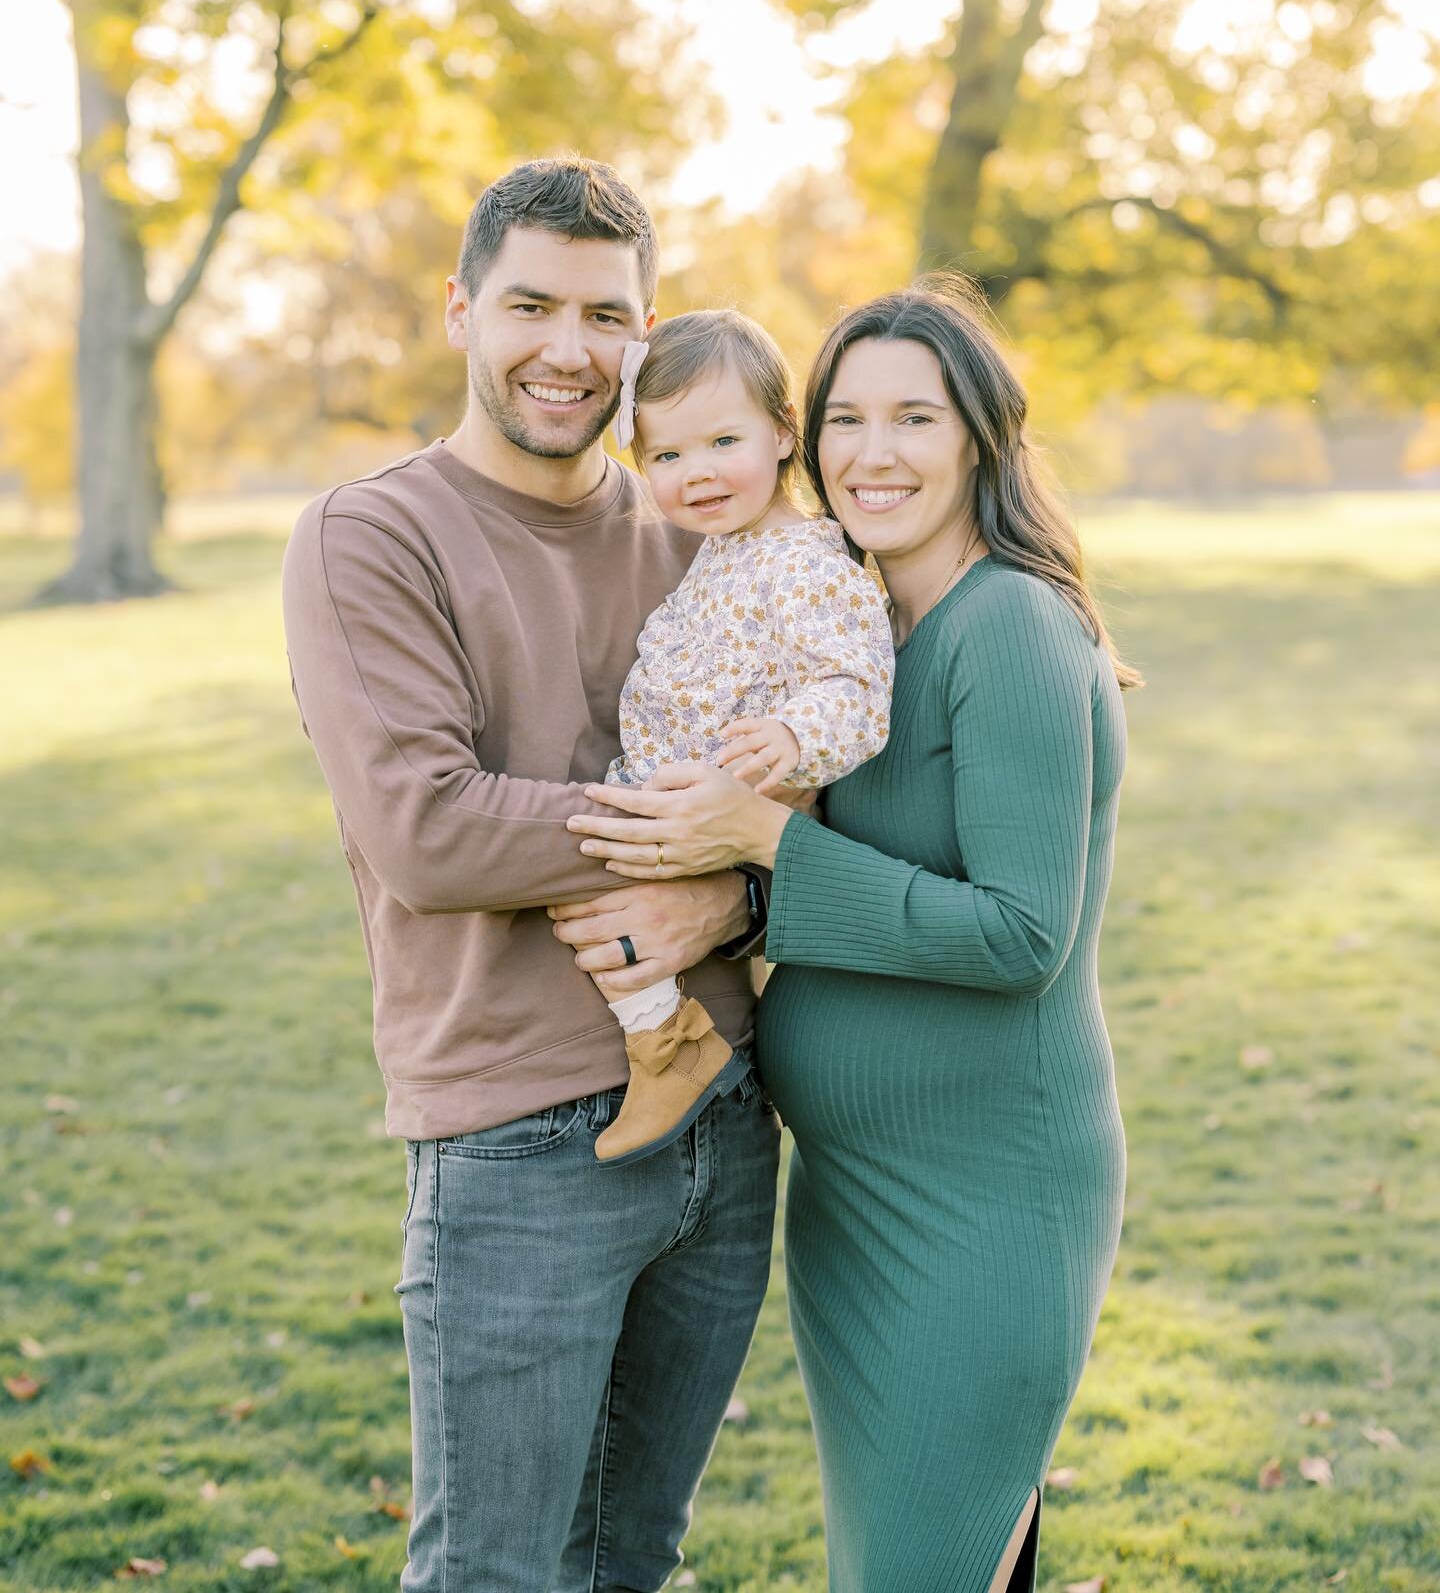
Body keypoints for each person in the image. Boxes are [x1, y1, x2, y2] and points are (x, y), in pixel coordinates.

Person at [567, 276, 1137, 1593]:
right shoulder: (863, 630)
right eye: (848, 419)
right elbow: (860, 872)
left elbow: (1016, 935)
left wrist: (762, 844)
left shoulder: (1013, 631)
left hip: (983, 1204)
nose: (873, 453)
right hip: (856, 1207)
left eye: (915, 419)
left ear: (982, 437)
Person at [281, 156, 781, 1593]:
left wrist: (742, 885)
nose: (571, 350)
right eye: (532, 306)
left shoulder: (698, 524)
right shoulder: (372, 536)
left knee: (634, 1558)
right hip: (514, 1142)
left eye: (608, 317)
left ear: (647, 331)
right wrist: (709, 834)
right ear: (460, 311)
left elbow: (802, 796)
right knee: (494, 1574)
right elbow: (429, 831)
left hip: (727, 1115)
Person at [589, 308, 893, 1165]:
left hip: (724, 810)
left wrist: (795, 738)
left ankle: (666, 1051)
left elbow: (855, 686)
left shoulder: (805, 561)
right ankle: (669, 1035)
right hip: (672, 795)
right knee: (579, 891)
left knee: (588, 898)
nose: (698, 473)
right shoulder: (725, 549)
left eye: (724, 441)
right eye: (667, 456)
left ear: (784, 432)